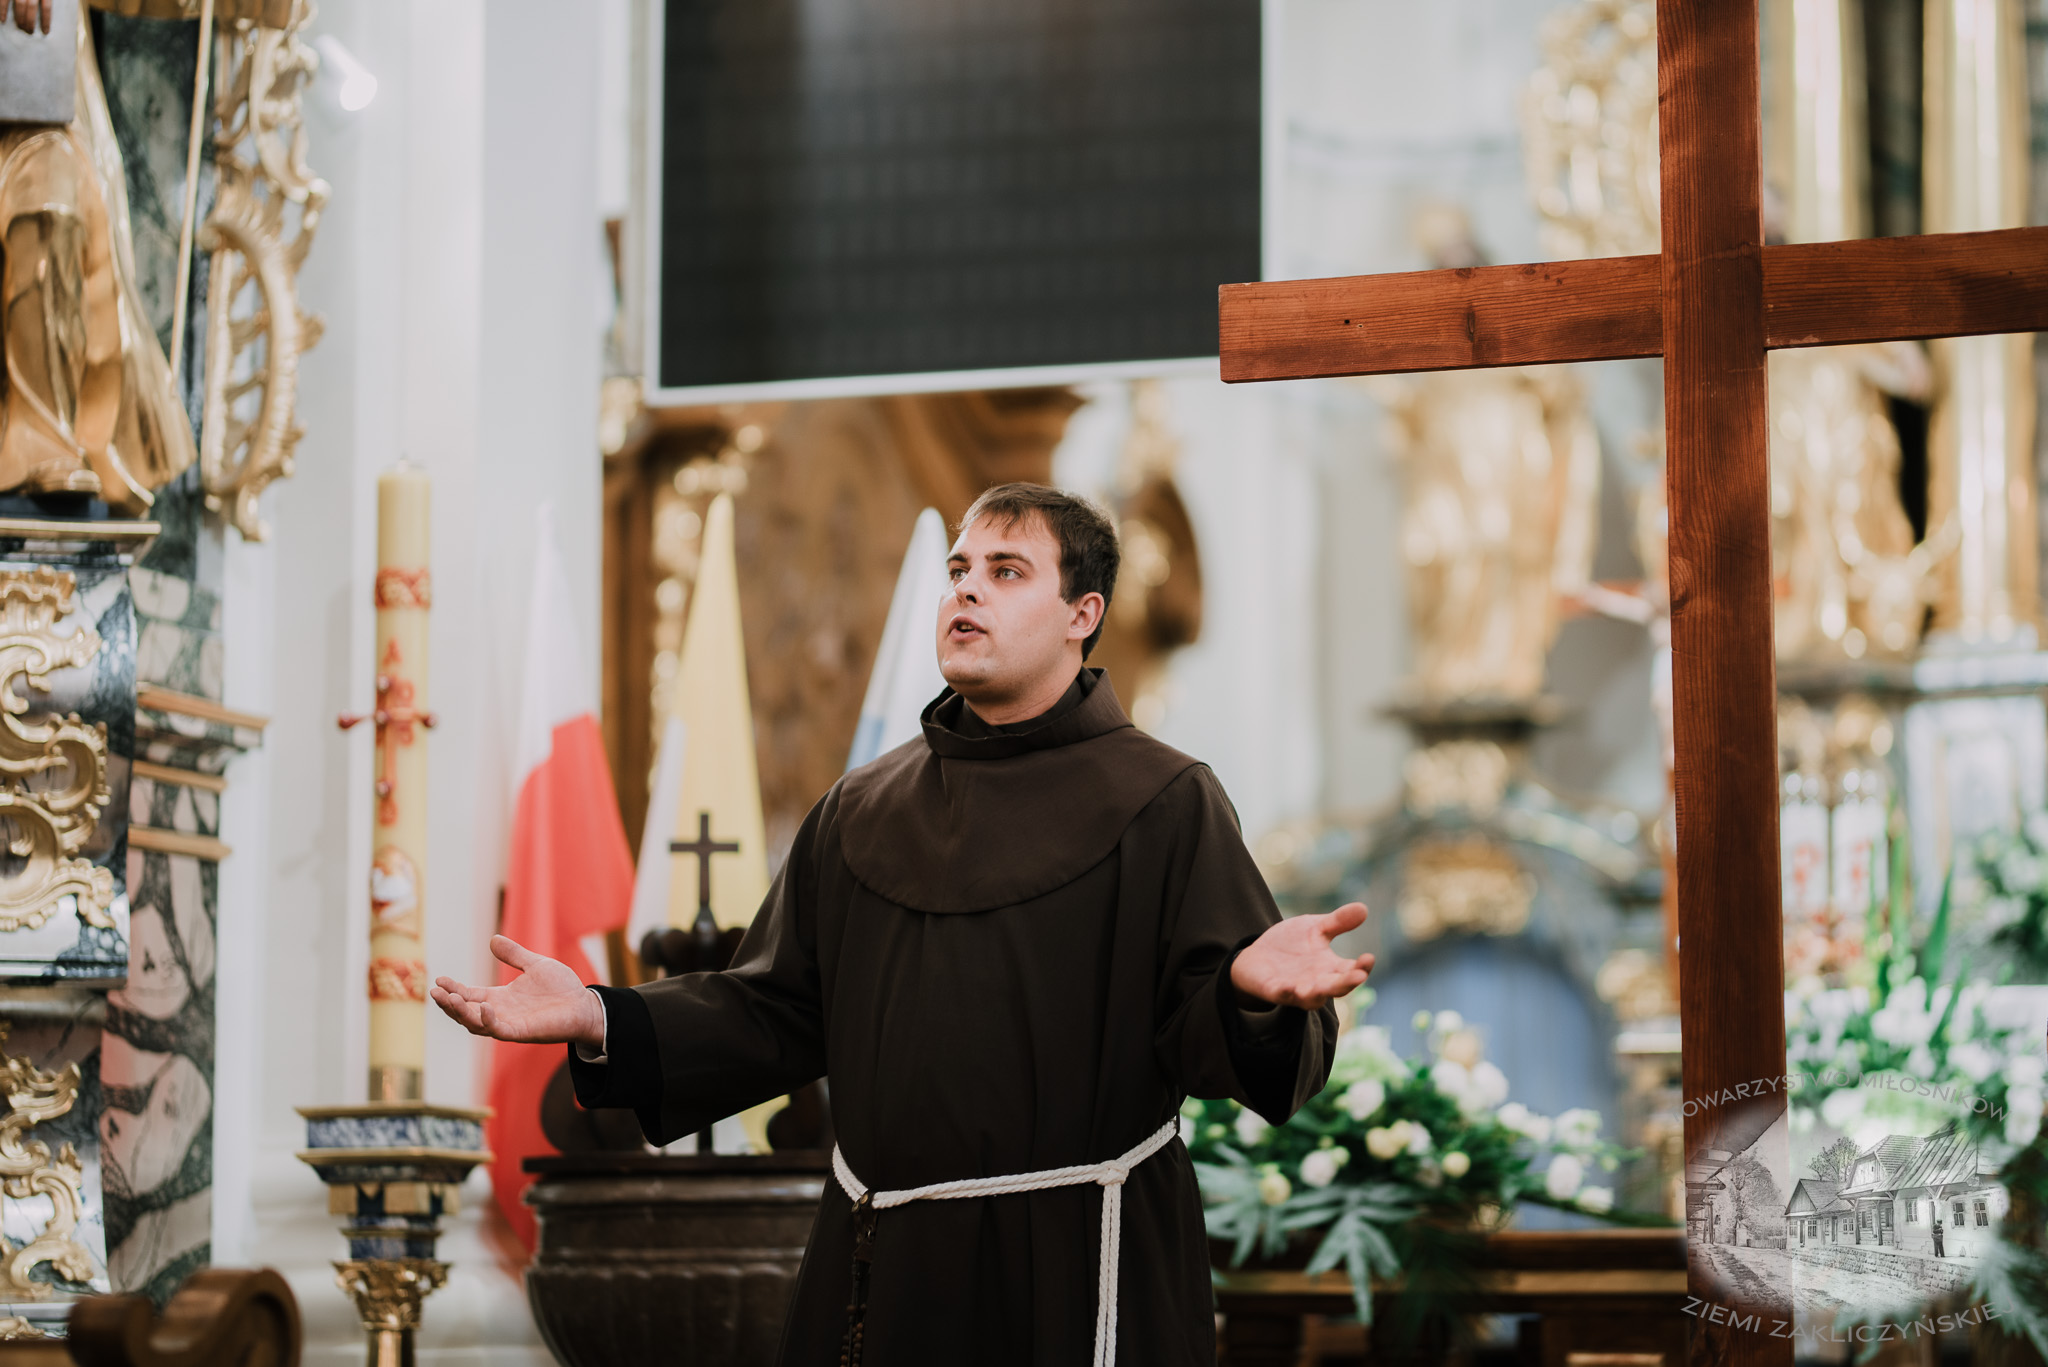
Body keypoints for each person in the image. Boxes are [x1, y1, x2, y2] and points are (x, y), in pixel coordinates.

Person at [433, 483, 1376, 1367]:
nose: (967, 590)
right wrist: (602, 1015)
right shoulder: (863, 809)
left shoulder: (1165, 800)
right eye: (959, 570)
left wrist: (1252, 996)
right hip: (884, 1271)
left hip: (1082, 1263)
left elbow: (1217, 1047)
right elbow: (770, 1009)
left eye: (1006, 571)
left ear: (1082, 615)